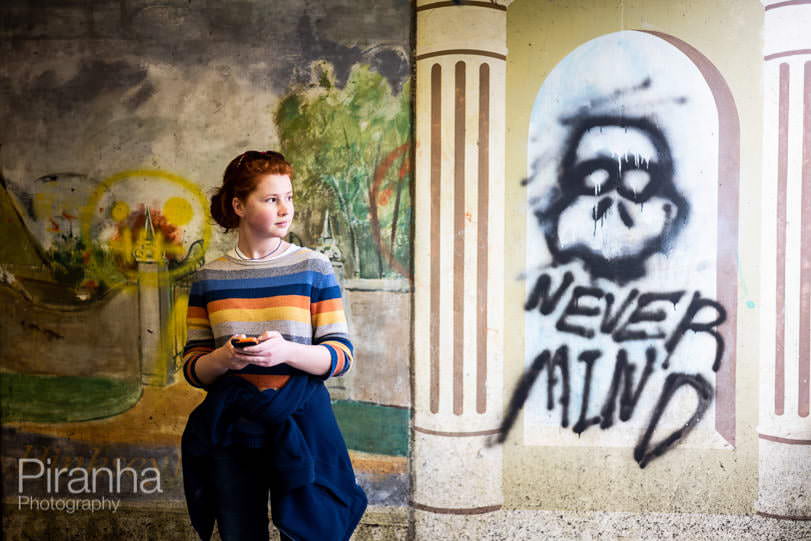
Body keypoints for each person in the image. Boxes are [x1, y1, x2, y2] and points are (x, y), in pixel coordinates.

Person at [179, 150, 367, 541]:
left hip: (302, 422)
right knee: (239, 534)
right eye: (271, 199)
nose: (285, 209)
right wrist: (224, 358)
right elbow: (193, 367)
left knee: (310, 533)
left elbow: (340, 355)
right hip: (233, 427)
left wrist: (287, 352)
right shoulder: (209, 278)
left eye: (289, 197)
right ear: (239, 206)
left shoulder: (314, 267)